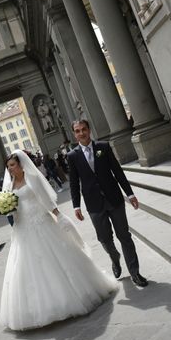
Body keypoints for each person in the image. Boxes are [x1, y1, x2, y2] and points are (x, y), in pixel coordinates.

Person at [0, 150, 117, 331]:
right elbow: (13, 206)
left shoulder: (32, 178)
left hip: (41, 219)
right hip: (23, 226)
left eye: (12, 165)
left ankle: (76, 296)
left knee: (57, 257)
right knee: (27, 265)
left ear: (21, 164)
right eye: (8, 167)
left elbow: (45, 199)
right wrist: (7, 209)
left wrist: (58, 216)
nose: (10, 170)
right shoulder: (10, 185)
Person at [67, 119, 148, 287]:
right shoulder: (72, 156)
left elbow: (117, 172)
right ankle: (115, 258)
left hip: (114, 199)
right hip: (94, 204)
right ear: (74, 134)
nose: (81, 133)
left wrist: (130, 194)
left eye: (83, 129)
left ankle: (135, 272)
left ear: (89, 130)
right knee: (104, 239)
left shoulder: (103, 147)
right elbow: (74, 183)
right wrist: (76, 205)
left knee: (124, 236)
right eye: (77, 131)